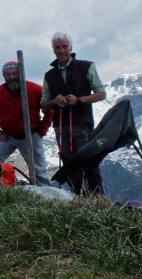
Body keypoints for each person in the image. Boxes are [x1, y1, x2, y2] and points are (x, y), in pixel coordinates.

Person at [41, 32, 106, 196]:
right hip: (61, 126)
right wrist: (55, 102)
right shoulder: (49, 76)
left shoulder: (87, 66)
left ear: (71, 48)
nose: (61, 50)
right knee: (69, 163)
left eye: (64, 46)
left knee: (89, 161)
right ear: (53, 50)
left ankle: (98, 198)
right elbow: (43, 106)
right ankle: (79, 197)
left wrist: (79, 100)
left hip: (82, 124)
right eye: (57, 48)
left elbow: (101, 94)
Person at [0, 61, 54, 186]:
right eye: (8, 74)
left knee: (38, 170)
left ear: (21, 73)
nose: (12, 77)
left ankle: (45, 194)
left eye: (14, 73)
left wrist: (42, 130)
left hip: (31, 135)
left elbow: (50, 108)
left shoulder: (34, 89)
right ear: (4, 76)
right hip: (8, 136)